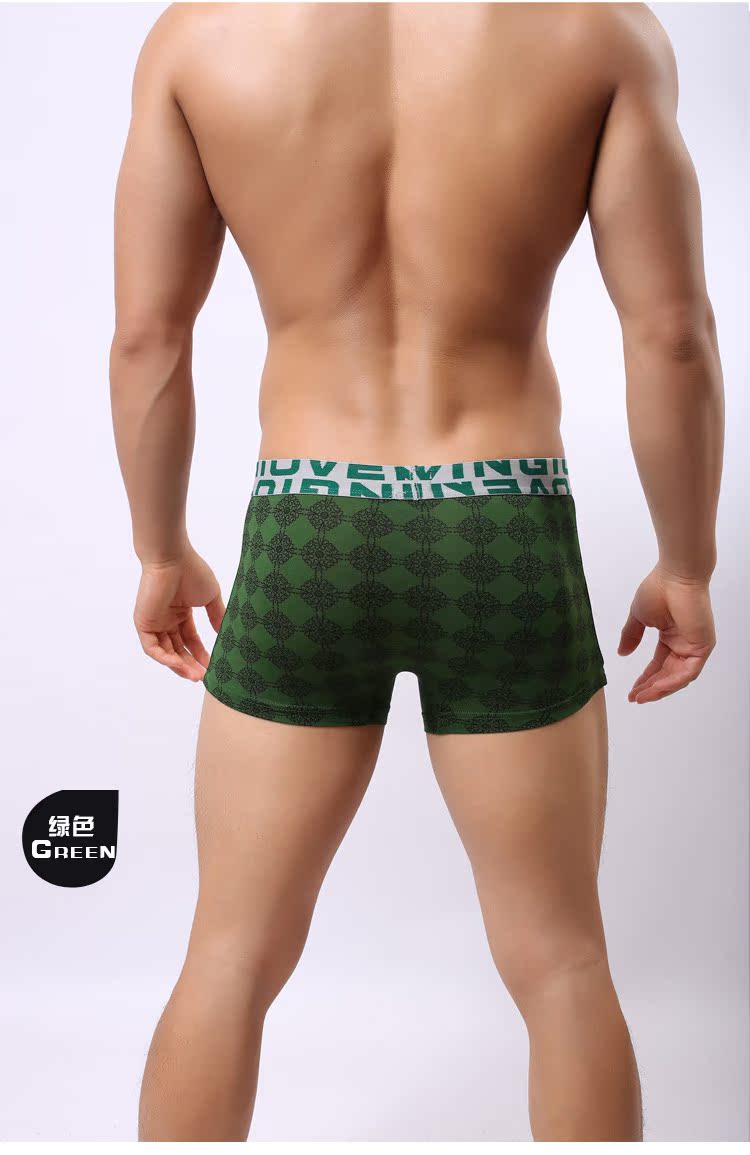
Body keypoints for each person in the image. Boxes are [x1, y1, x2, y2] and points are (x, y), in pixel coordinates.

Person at [109, 2, 723, 1142]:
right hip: (502, 518)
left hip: (308, 525)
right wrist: (686, 564)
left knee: (229, 954)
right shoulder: (598, 30)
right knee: (564, 963)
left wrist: (159, 548)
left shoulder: (199, 37)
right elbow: (671, 333)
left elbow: (150, 335)